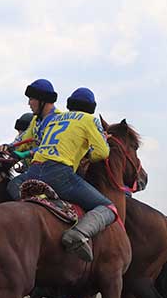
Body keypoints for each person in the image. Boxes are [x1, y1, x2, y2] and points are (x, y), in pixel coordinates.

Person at [23, 86, 115, 262]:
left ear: (70, 104)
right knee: (108, 208)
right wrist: (88, 155)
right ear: (92, 108)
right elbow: (102, 153)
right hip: (59, 174)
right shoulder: (89, 119)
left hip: (32, 172)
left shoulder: (55, 119)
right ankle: (78, 233)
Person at [6, 79, 61, 200]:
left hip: (53, 170)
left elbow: (48, 147)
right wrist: (7, 148)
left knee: (14, 185)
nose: (28, 104)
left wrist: (24, 154)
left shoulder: (58, 119)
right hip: (39, 170)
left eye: (31, 99)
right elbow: (23, 141)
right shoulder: (36, 121)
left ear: (42, 100)